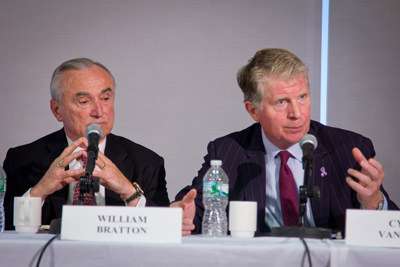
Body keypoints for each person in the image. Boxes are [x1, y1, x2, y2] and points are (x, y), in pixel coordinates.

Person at [175, 48, 398, 235]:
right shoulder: (228, 151)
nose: (297, 113)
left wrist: (373, 202)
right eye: (282, 102)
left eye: (302, 97)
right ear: (253, 110)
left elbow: (390, 232)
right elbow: (197, 206)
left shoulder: (348, 149)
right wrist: (180, 214)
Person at [3, 58, 170, 230]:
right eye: (84, 101)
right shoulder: (23, 160)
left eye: (105, 98)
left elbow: (164, 230)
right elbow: (9, 234)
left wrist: (129, 192)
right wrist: (39, 192)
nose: (99, 112)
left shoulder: (147, 163)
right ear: (57, 110)